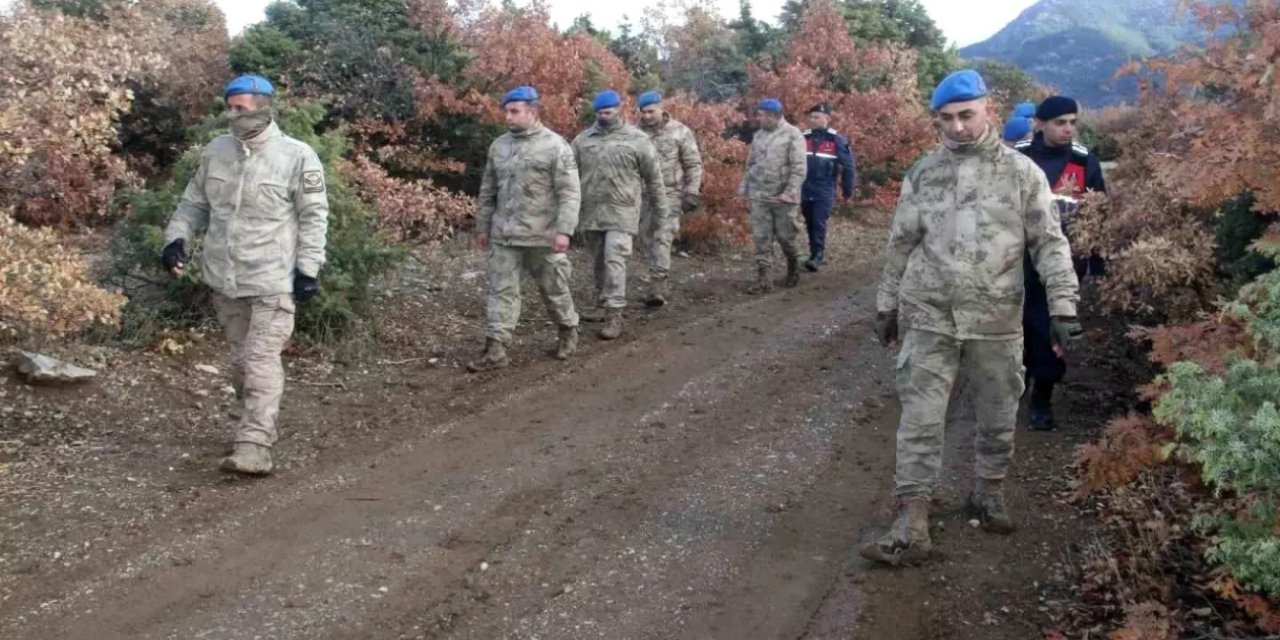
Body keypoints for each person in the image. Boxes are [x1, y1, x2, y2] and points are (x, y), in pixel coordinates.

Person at [860, 70, 1081, 565]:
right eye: (946, 119)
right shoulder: (923, 173)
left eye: (967, 115)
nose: (957, 127)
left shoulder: (1021, 174)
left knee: (1000, 410)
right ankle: (911, 519)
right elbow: (901, 244)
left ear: (988, 110)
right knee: (919, 418)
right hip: (930, 313)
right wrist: (886, 303)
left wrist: (1064, 304)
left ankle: (988, 490)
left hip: (997, 317)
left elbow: (1049, 243)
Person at [161, 74, 329, 476]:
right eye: (230, 107)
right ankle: (252, 420)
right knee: (240, 362)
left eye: (242, 107)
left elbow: (314, 216)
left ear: (264, 106)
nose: (233, 115)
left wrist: (308, 269)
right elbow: (192, 204)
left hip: (273, 279)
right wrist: (175, 240)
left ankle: (255, 444)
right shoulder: (216, 152)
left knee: (258, 359)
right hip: (225, 280)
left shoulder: (297, 156)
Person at [468, 85, 582, 373]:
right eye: (506, 111)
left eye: (514, 111)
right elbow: (487, 189)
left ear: (532, 112)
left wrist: (564, 230)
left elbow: (570, 192)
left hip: (542, 234)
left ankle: (568, 330)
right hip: (505, 234)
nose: (507, 116)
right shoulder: (499, 146)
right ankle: (496, 348)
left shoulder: (556, 146)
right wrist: (482, 226)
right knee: (500, 290)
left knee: (553, 288)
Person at [1013, 95, 1107, 430]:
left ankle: (1042, 397)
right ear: (1040, 124)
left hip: (1065, 264)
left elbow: (1098, 215)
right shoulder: (1017, 157)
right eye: (1060, 123)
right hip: (1016, 261)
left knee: (1052, 328)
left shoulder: (1084, 163)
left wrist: (1096, 263)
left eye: (1072, 122)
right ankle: (1015, 383)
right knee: (1017, 326)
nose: (1068, 129)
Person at [572, 89, 666, 340]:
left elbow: (654, 178)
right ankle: (602, 302)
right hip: (591, 212)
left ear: (620, 109)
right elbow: (568, 177)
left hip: (623, 211)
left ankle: (615, 313)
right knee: (598, 262)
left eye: (608, 112)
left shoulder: (637, 140)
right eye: (600, 113)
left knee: (615, 259)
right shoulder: (582, 141)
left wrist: (661, 210)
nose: (604, 116)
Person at [636, 91, 704, 307]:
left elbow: (693, 163)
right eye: (643, 112)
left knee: (663, 236)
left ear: (661, 109)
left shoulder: (680, 132)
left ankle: (657, 285)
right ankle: (657, 277)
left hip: (671, 193)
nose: (646, 116)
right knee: (646, 239)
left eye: (650, 111)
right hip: (643, 195)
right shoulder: (635, 134)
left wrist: (692, 191)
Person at [739, 98, 807, 293]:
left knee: (786, 237)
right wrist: (744, 188)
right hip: (759, 195)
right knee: (761, 237)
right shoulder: (759, 135)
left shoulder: (793, 135)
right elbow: (750, 164)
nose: (757, 119)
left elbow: (799, 168)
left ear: (773, 116)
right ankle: (763, 280)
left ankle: (793, 267)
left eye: (761, 115)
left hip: (783, 198)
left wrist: (789, 192)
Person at [800, 103, 856, 272]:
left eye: (817, 117)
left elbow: (848, 167)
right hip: (805, 187)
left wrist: (847, 190)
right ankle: (813, 253)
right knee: (809, 221)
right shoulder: (803, 138)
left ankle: (818, 255)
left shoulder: (836, 140)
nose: (813, 120)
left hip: (824, 187)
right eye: (811, 117)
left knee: (818, 221)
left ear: (827, 119)